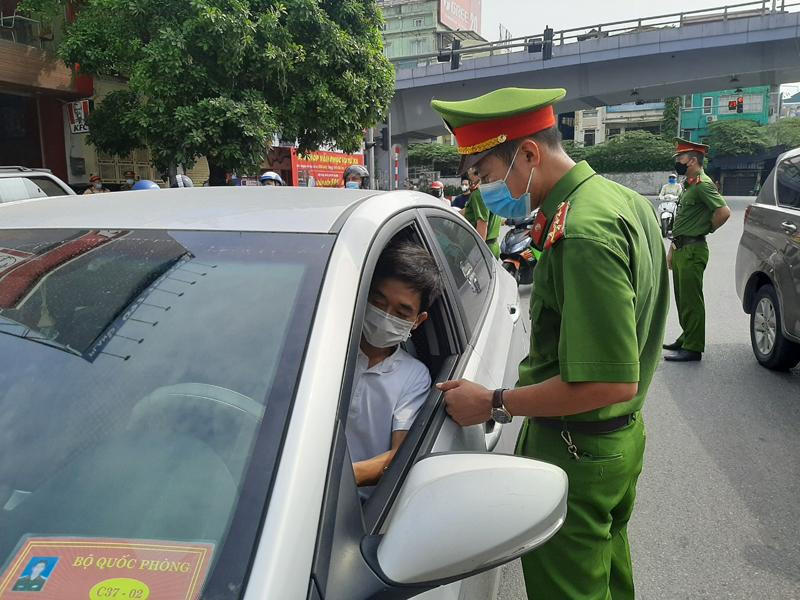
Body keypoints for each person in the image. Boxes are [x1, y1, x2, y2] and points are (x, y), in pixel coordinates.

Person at [430, 87, 669, 600]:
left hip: (578, 448)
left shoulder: (582, 232)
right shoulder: (622, 201)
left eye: (487, 175)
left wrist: (493, 402)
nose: (486, 190)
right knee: (606, 577)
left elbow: (608, 380)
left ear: (530, 154)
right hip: (614, 444)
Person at [347, 240, 442, 498]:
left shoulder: (413, 376)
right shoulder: (329, 349)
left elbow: (397, 456)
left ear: (418, 321)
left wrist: (333, 478)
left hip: (359, 504)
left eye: (401, 312)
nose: (385, 315)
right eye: (378, 301)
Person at [663, 139, 731, 362]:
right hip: (682, 247)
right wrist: (673, 248)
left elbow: (723, 211)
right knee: (682, 298)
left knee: (692, 299)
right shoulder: (689, 184)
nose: (678, 163)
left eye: (680, 159)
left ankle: (693, 348)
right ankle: (686, 337)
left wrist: (705, 228)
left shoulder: (703, 185)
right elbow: (682, 219)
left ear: (692, 160)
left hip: (693, 248)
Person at [463, 168, 502, 258]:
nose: (470, 182)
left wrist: (476, 254)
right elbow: (468, 210)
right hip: (493, 246)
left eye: (470, 178)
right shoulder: (492, 191)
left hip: (484, 248)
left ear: (477, 175)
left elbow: (482, 226)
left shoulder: (479, 194)